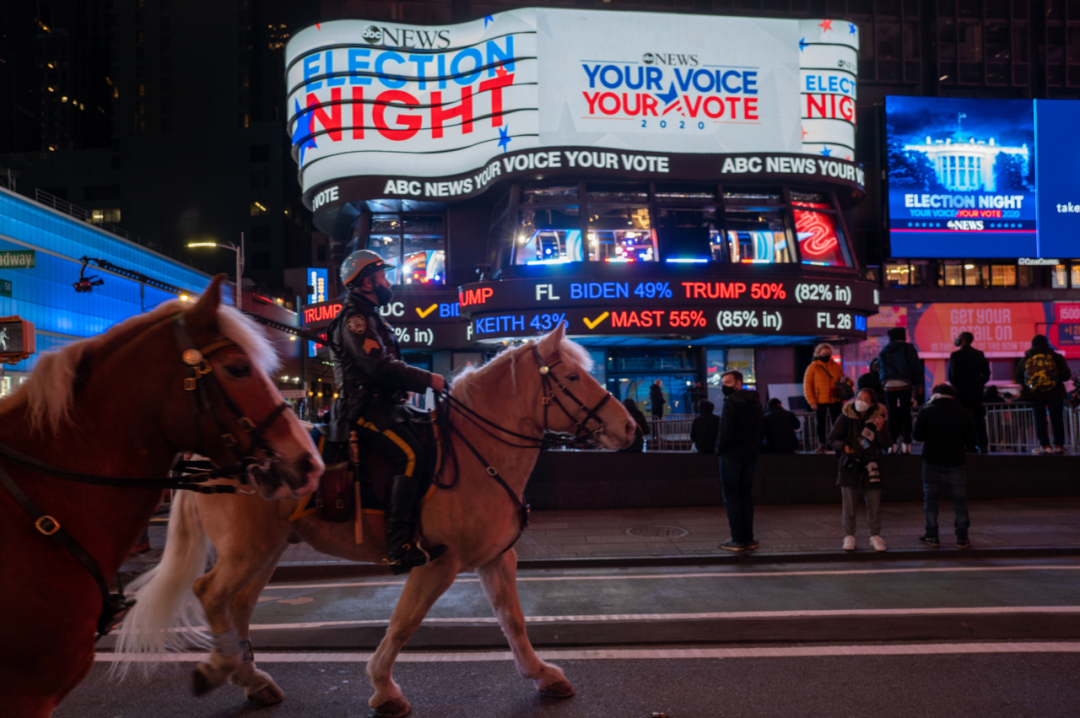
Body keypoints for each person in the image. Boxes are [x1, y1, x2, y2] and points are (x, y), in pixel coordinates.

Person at [327, 250, 447, 574]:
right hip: (362, 410)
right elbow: (379, 367)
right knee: (411, 456)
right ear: (367, 281)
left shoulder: (372, 315)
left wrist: (403, 390)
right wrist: (429, 380)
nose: (388, 281)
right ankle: (399, 545)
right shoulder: (357, 319)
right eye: (383, 275)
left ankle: (421, 530)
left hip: (386, 406)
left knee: (432, 439)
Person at [913, 384, 977, 549]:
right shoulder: (964, 413)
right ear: (953, 396)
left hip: (932, 460)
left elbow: (918, 437)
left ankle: (932, 535)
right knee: (959, 501)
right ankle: (962, 537)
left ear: (935, 395)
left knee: (930, 501)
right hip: (956, 461)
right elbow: (971, 441)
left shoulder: (926, 411)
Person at [829, 388, 892, 552]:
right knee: (849, 504)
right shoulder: (845, 416)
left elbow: (886, 444)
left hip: (872, 466)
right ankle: (849, 535)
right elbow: (832, 438)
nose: (861, 401)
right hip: (850, 466)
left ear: (872, 403)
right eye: (859, 398)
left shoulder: (879, 418)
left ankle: (875, 536)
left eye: (865, 399)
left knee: (874, 504)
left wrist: (881, 430)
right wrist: (844, 446)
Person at [714, 370, 763, 552]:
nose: (724, 385)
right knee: (745, 496)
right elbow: (760, 429)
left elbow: (725, 431)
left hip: (732, 456)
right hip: (749, 455)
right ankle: (748, 538)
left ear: (738, 384)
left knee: (732, 497)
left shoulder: (731, 403)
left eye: (727, 382)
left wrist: (719, 449)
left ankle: (737, 539)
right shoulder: (756, 402)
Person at [1015, 335, 1072, 454]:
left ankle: (1045, 446)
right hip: (1055, 393)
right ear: (1047, 344)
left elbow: (1019, 376)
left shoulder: (1026, 358)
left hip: (1035, 394)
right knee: (1057, 419)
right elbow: (1066, 375)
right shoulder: (1056, 357)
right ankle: (1058, 446)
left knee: (1039, 419)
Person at [878, 327, 923, 454]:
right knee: (905, 413)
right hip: (904, 384)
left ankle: (892, 444)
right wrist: (918, 385)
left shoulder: (884, 350)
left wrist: (884, 382)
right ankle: (906, 443)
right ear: (903, 336)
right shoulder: (908, 348)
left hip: (888, 385)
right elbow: (915, 366)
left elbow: (881, 369)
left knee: (892, 414)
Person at [947, 331, 990, 453]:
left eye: (959, 338)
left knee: (963, 416)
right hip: (977, 390)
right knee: (978, 416)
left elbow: (953, 376)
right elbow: (986, 374)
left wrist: (958, 386)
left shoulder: (956, 356)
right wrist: (980, 383)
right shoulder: (979, 354)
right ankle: (982, 443)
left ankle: (967, 443)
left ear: (963, 340)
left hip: (962, 391)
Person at [803, 343, 845, 453]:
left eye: (828, 353)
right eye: (823, 353)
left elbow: (843, 379)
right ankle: (822, 445)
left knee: (836, 423)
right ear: (818, 354)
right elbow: (807, 385)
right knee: (821, 424)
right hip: (819, 399)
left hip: (835, 398)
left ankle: (836, 445)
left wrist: (848, 382)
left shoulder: (836, 366)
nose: (826, 355)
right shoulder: (813, 367)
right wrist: (811, 401)